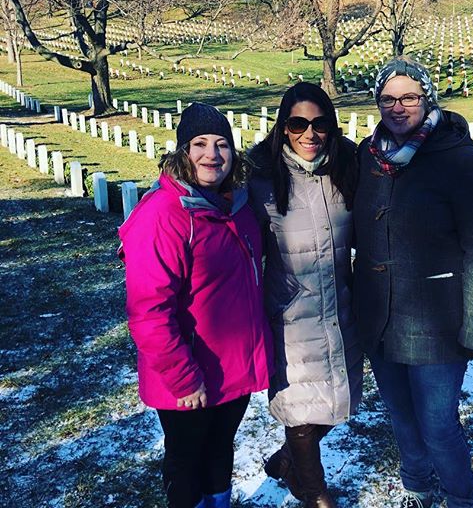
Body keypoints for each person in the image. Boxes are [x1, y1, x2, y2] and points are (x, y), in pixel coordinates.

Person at [352, 57, 473, 508]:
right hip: (380, 316)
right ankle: (416, 484)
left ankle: (460, 497)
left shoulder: (458, 159)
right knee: (400, 416)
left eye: (409, 97)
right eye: (388, 98)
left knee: (438, 424)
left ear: (427, 98)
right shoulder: (366, 154)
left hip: (437, 319)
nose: (398, 107)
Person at [118, 102, 273, 508]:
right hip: (186, 375)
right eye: (200, 143)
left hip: (232, 366)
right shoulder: (163, 215)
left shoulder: (235, 207)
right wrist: (184, 378)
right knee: (187, 462)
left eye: (222, 144)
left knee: (221, 451)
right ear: (183, 151)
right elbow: (149, 312)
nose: (212, 154)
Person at [247, 82, 362, 508]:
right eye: (297, 124)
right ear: (283, 127)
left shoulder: (347, 168)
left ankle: (285, 461)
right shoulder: (261, 178)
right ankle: (312, 490)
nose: (309, 133)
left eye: (319, 124)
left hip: (338, 305)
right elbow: (219, 221)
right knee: (299, 407)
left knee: (335, 399)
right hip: (290, 313)